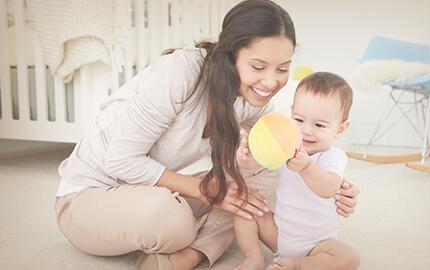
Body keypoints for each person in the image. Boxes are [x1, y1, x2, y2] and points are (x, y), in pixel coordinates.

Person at [54, 1, 359, 270]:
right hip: (90, 197)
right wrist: (208, 191)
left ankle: (190, 255)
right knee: (172, 220)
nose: (270, 81)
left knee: (268, 181)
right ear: (230, 56)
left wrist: (337, 188)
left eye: (282, 69)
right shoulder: (180, 73)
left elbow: (287, 152)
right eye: (258, 66)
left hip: (151, 191)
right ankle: (190, 239)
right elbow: (120, 161)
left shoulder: (251, 96)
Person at [233, 72, 359, 270]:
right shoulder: (286, 146)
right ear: (291, 114)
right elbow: (254, 165)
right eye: (299, 120)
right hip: (279, 235)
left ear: (340, 129)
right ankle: (253, 256)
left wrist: (307, 167)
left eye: (319, 125)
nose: (306, 130)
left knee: (348, 258)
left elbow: (328, 188)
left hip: (317, 245)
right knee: (244, 207)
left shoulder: (334, 157)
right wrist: (245, 157)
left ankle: (299, 264)